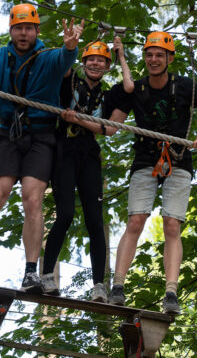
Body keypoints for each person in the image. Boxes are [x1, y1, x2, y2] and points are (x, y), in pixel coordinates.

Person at [0, 3, 83, 291]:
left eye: (28, 28)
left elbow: (65, 59)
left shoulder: (49, 58)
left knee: (32, 199)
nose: (23, 33)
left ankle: (31, 271)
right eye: (18, 28)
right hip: (9, 133)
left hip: (41, 136)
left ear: (37, 31)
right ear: (10, 31)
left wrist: (71, 47)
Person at [106, 32, 197, 314]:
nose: (154, 59)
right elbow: (110, 127)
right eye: (149, 55)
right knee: (135, 220)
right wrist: (81, 116)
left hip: (179, 158)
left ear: (170, 59)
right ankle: (118, 286)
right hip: (146, 157)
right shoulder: (136, 89)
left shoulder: (185, 87)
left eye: (160, 55)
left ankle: (171, 292)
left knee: (172, 224)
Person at [39, 40, 125, 302]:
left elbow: (111, 126)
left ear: (107, 66)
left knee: (95, 220)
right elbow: (64, 66)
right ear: (84, 62)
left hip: (89, 155)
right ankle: (46, 275)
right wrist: (71, 45)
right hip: (64, 151)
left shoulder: (109, 95)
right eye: (91, 59)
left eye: (101, 60)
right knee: (64, 214)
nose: (95, 64)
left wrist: (121, 56)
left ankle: (99, 284)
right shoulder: (70, 81)